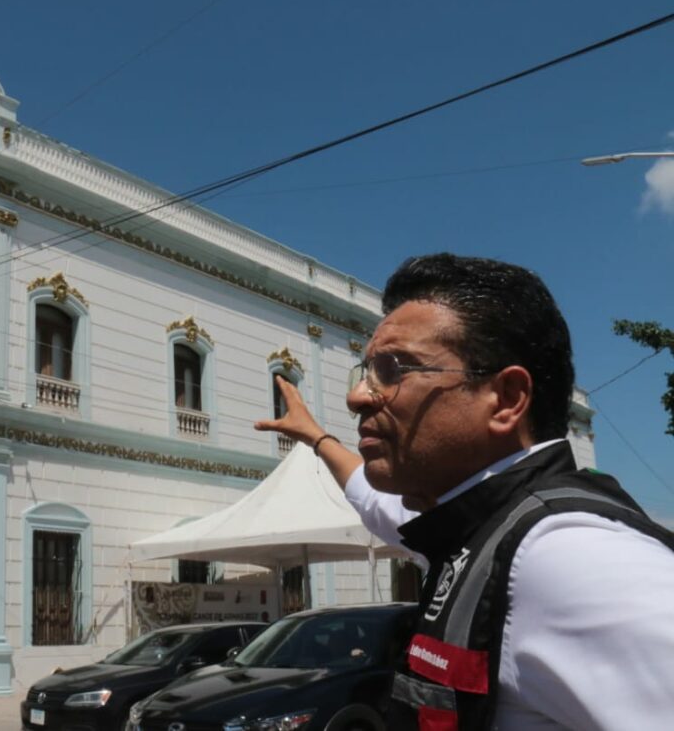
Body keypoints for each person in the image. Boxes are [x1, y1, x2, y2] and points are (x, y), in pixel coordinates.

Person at [258, 253, 674, 730]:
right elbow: (373, 502)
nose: (357, 396)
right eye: (366, 370)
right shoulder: (473, 528)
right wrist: (316, 437)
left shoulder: (567, 555)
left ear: (507, 399)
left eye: (394, 369)